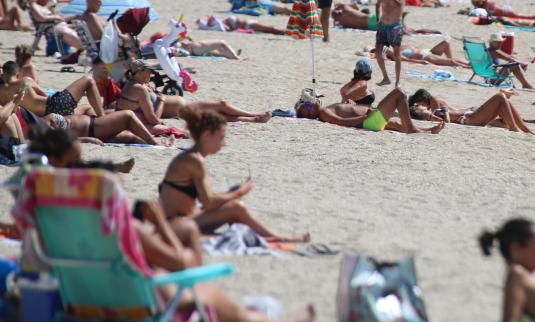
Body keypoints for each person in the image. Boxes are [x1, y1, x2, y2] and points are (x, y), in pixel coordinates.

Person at [131, 197, 316, 322]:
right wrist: (160, 223)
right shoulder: (133, 231)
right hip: (168, 302)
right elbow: (182, 262)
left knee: (187, 228)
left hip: (120, 308)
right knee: (238, 316)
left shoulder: (108, 236)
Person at [159, 106, 308, 242]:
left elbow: (205, 201)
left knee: (232, 202)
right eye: (221, 137)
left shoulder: (192, 158)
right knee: (237, 207)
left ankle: (263, 237)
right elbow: (208, 202)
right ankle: (276, 238)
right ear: (206, 135)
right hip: (174, 225)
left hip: (181, 220)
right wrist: (239, 192)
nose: (224, 144)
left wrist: (231, 194)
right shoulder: (194, 161)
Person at [116, 59, 271, 127]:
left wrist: (153, 90)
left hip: (179, 109)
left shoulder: (137, 84)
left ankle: (253, 119)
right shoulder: (138, 88)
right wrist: (162, 99)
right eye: (148, 72)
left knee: (218, 114)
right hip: (180, 109)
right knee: (221, 104)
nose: (151, 75)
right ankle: (253, 115)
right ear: (140, 72)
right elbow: (153, 117)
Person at [300, 87, 443, 134]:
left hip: (371, 120)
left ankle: (427, 131)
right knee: (399, 93)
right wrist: (364, 117)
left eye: (308, 105)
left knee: (396, 124)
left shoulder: (326, 109)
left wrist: (351, 105)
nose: (310, 107)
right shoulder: (324, 112)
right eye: (307, 107)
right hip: (368, 120)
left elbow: (344, 114)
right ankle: (413, 129)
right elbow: (342, 122)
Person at [0, 61, 103, 118]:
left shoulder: (1, 92)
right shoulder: (25, 81)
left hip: (43, 116)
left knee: (85, 108)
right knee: (88, 79)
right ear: (17, 74)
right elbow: (45, 95)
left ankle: (99, 119)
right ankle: (102, 117)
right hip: (54, 105)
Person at [408, 88, 532, 133]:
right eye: (417, 107)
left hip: (470, 114)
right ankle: (515, 127)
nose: (418, 106)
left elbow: (445, 118)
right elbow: (446, 121)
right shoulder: (433, 113)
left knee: (504, 103)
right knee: (500, 98)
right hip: (468, 118)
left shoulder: (434, 107)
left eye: (417, 105)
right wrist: (443, 112)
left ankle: (523, 128)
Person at [374, 0, 405, 86]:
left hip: (395, 27)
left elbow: (399, 4)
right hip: (383, 25)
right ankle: (385, 77)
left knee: (397, 54)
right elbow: (377, 5)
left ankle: (397, 81)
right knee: (378, 52)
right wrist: (377, 19)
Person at [379, 40, 471, 69]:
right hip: (426, 56)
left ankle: (465, 63)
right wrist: (421, 62)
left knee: (445, 43)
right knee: (451, 61)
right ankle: (468, 65)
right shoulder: (395, 56)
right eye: (387, 49)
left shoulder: (398, 48)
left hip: (428, 51)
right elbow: (408, 60)